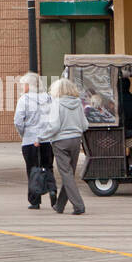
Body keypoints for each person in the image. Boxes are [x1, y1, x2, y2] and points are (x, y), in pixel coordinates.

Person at [40, 78, 89, 215]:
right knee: (69, 174)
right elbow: (85, 124)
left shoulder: (56, 103)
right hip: (76, 140)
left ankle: (79, 205)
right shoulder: (78, 102)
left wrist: (41, 137)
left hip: (60, 141)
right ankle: (59, 206)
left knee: (66, 174)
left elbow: (54, 125)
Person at [13, 73, 55, 210]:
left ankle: (35, 200)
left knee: (32, 169)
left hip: (30, 139)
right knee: (48, 166)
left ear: (27, 86)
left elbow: (18, 121)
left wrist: (23, 134)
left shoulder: (24, 100)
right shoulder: (49, 98)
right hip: (48, 139)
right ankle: (52, 189)